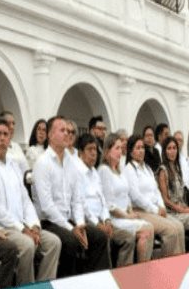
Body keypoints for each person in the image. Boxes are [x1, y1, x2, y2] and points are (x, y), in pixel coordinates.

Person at [0, 119, 60, 285]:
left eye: (5, 134)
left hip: (23, 225)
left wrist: (34, 225)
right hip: (1, 228)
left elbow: (25, 200)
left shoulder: (13, 165)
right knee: (27, 245)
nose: (2, 138)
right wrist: (23, 229)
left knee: (53, 243)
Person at [32, 116, 110, 277]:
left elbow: (77, 199)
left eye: (68, 131)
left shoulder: (71, 163)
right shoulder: (42, 163)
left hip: (70, 221)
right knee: (71, 242)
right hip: (49, 222)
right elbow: (47, 207)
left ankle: (93, 282)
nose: (67, 134)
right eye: (62, 130)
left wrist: (80, 224)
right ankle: (67, 288)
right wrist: (72, 229)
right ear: (50, 135)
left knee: (99, 237)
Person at [76, 133, 137, 267]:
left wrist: (107, 220)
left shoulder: (95, 173)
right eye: (89, 149)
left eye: (95, 150)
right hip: (88, 221)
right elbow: (82, 204)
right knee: (104, 238)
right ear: (80, 152)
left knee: (128, 237)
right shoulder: (77, 173)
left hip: (103, 220)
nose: (93, 154)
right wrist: (98, 224)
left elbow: (103, 202)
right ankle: (107, 276)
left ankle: (124, 275)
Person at [124, 134, 186, 257]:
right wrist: (155, 209)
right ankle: (167, 266)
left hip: (155, 210)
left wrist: (161, 207)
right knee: (171, 231)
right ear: (131, 152)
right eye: (137, 148)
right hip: (141, 211)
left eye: (142, 147)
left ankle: (180, 265)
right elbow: (136, 196)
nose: (141, 151)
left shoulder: (147, 168)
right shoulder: (129, 169)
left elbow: (156, 191)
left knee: (179, 227)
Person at [99, 133, 154, 262]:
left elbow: (127, 196)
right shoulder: (104, 170)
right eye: (116, 148)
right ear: (107, 150)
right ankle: (139, 269)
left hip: (125, 216)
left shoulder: (119, 170)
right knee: (147, 229)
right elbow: (109, 205)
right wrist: (127, 216)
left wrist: (130, 211)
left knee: (147, 229)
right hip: (115, 219)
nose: (120, 152)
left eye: (120, 148)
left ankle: (142, 268)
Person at [157, 136, 189, 251]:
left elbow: (180, 195)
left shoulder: (177, 168)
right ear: (164, 151)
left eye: (174, 148)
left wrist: (186, 208)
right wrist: (182, 210)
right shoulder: (162, 170)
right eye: (169, 148)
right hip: (171, 213)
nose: (172, 151)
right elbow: (165, 200)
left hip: (181, 210)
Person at [0, 110, 29, 174]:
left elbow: (26, 168)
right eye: (9, 123)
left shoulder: (17, 146)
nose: (12, 127)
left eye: (13, 123)